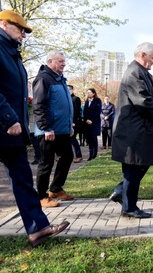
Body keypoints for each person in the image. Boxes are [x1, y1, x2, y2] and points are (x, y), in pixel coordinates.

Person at [0, 10, 69, 256]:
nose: (24, 35)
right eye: (21, 30)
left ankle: (37, 228)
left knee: (23, 181)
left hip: (12, 131)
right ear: (4, 25)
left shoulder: (12, 54)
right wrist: (8, 118)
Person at [109, 42, 153, 219]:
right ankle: (129, 207)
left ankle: (120, 191)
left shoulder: (141, 72)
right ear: (143, 55)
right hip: (133, 132)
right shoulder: (134, 73)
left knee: (141, 165)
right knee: (133, 168)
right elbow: (142, 101)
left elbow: (146, 98)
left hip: (138, 130)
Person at [33, 50, 74, 207]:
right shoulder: (43, 79)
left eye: (64, 61)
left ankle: (56, 188)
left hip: (62, 129)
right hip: (48, 131)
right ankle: (41, 196)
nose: (63, 63)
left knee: (68, 156)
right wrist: (45, 127)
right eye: (60, 61)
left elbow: (64, 105)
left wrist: (69, 125)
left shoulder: (60, 80)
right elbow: (39, 104)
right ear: (50, 61)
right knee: (46, 163)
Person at [83, 88, 102, 160]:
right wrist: (86, 119)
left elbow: (98, 112)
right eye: (87, 92)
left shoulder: (98, 101)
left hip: (95, 122)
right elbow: (85, 111)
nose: (88, 94)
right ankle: (90, 154)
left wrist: (91, 120)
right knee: (89, 139)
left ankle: (95, 153)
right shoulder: (87, 101)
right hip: (87, 123)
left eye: (90, 92)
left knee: (94, 138)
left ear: (94, 93)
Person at [68, 84, 83, 163]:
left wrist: (73, 122)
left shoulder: (76, 99)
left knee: (73, 139)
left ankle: (79, 156)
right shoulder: (65, 98)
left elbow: (76, 111)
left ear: (71, 90)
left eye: (69, 89)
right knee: (66, 140)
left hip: (74, 123)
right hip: (66, 122)